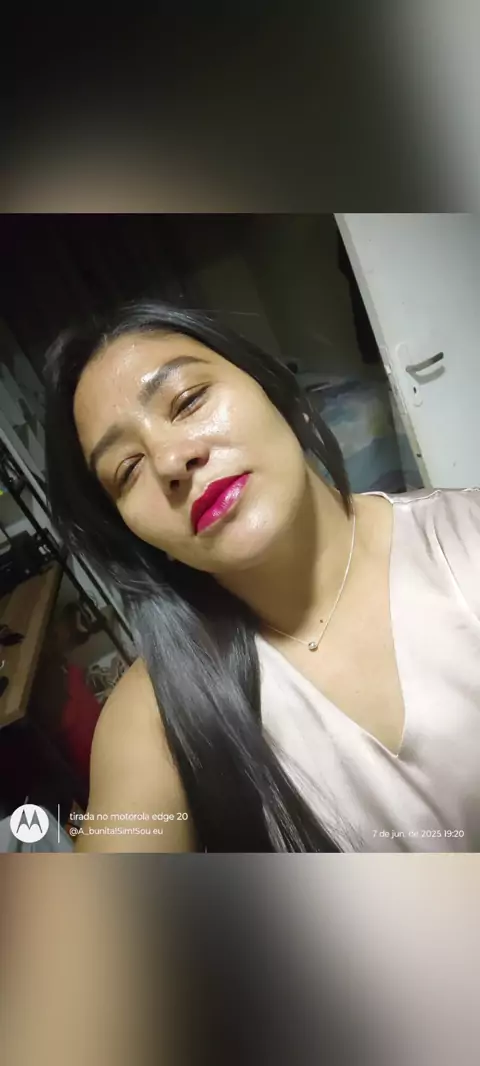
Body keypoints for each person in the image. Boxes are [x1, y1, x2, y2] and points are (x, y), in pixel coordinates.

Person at [42, 300, 480, 853]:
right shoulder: (156, 716)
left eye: (188, 401)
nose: (171, 461)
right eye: (127, 469)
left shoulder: (467, 539)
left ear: (270, 388)